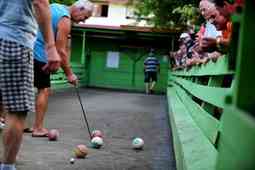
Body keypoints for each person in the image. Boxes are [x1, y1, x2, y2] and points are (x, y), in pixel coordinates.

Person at [0, 0, 61, 170]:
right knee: (16, 110)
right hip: (13, 40)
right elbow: (40, 2)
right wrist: (50, 46)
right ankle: (7, 166)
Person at [31, 0, 94, 137]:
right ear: (80, 8)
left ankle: (13, 122)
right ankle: (38, 128)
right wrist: (70, 74)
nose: (83, 21)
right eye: (85, 17)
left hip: (27, 49)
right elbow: (61, 51)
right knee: (44, 90)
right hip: (40, 55)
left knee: (19, 87)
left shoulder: (54, 6)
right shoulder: (65, 20)